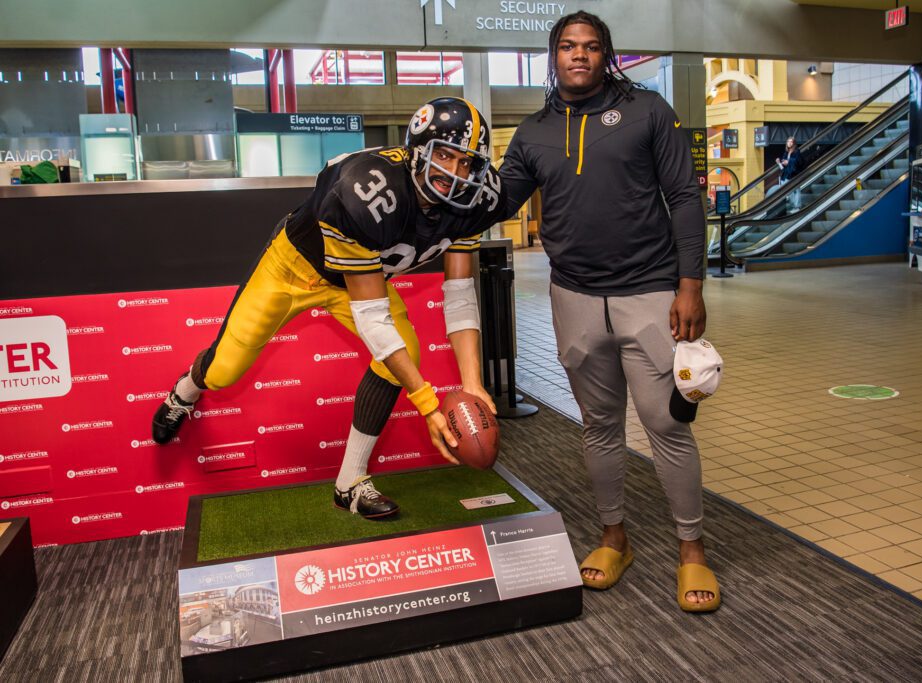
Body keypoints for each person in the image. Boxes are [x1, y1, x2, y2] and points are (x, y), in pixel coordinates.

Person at [150, 97, 500, 519]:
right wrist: (426, 403)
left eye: (466, 162)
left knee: (400, 355)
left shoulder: (474, 201)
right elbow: (372, 316)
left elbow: (460, 291)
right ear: (416, 151)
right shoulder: (366, 188)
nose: (454, 172)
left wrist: (472, 382)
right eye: (444, 155)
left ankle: (349, 482)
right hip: (294, 267)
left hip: (361, 277)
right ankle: (186, 389)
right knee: (224, 370)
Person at [497, 11, 720, 611]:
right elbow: (495, 200)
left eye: (591, 47)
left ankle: (691, 549)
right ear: (554, 55)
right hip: (572, 296)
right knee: (598, 425)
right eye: (568, 46)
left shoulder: (648, 111)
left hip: (649, 292)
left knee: (667, 426)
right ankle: (613, 535)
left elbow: (683, 197)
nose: (579, 56)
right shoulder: (534, 131)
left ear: (606, 54)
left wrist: (691, 284)